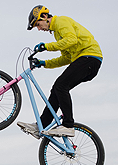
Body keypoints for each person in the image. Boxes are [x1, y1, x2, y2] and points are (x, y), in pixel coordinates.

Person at [17, 5, 103, 139]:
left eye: (38, 24)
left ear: (45, 17)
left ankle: (68, 125)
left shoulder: (61, 21)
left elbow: (71, 40)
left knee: (61, 86)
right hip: (85, 61)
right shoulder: (57, 33)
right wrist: (45, 63)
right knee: (57, 89)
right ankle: (42, 125)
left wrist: (47, 46)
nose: (39, 29)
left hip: (89, 57)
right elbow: (66, 58)